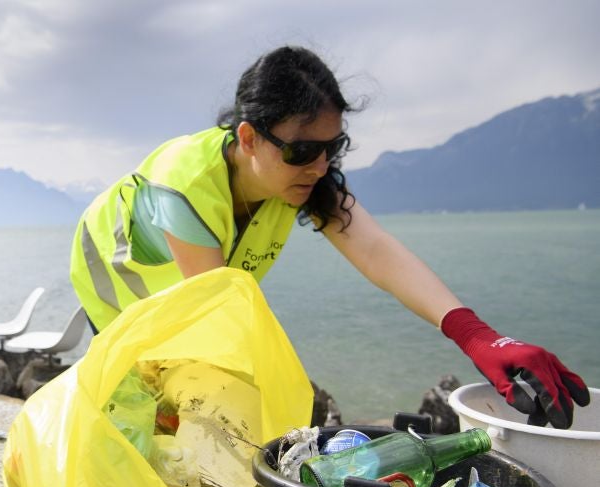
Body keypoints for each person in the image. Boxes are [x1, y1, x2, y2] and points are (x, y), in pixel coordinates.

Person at [70, 45, 590, 429]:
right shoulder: (182, 186)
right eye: (302, 150)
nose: (319, 166)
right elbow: (214, 327)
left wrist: (477, 335)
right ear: (248, 137)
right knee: (150, 421)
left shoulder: (298, 177)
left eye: (332, 147)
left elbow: (376, 250)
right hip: (118, 293)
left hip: (197, 295)